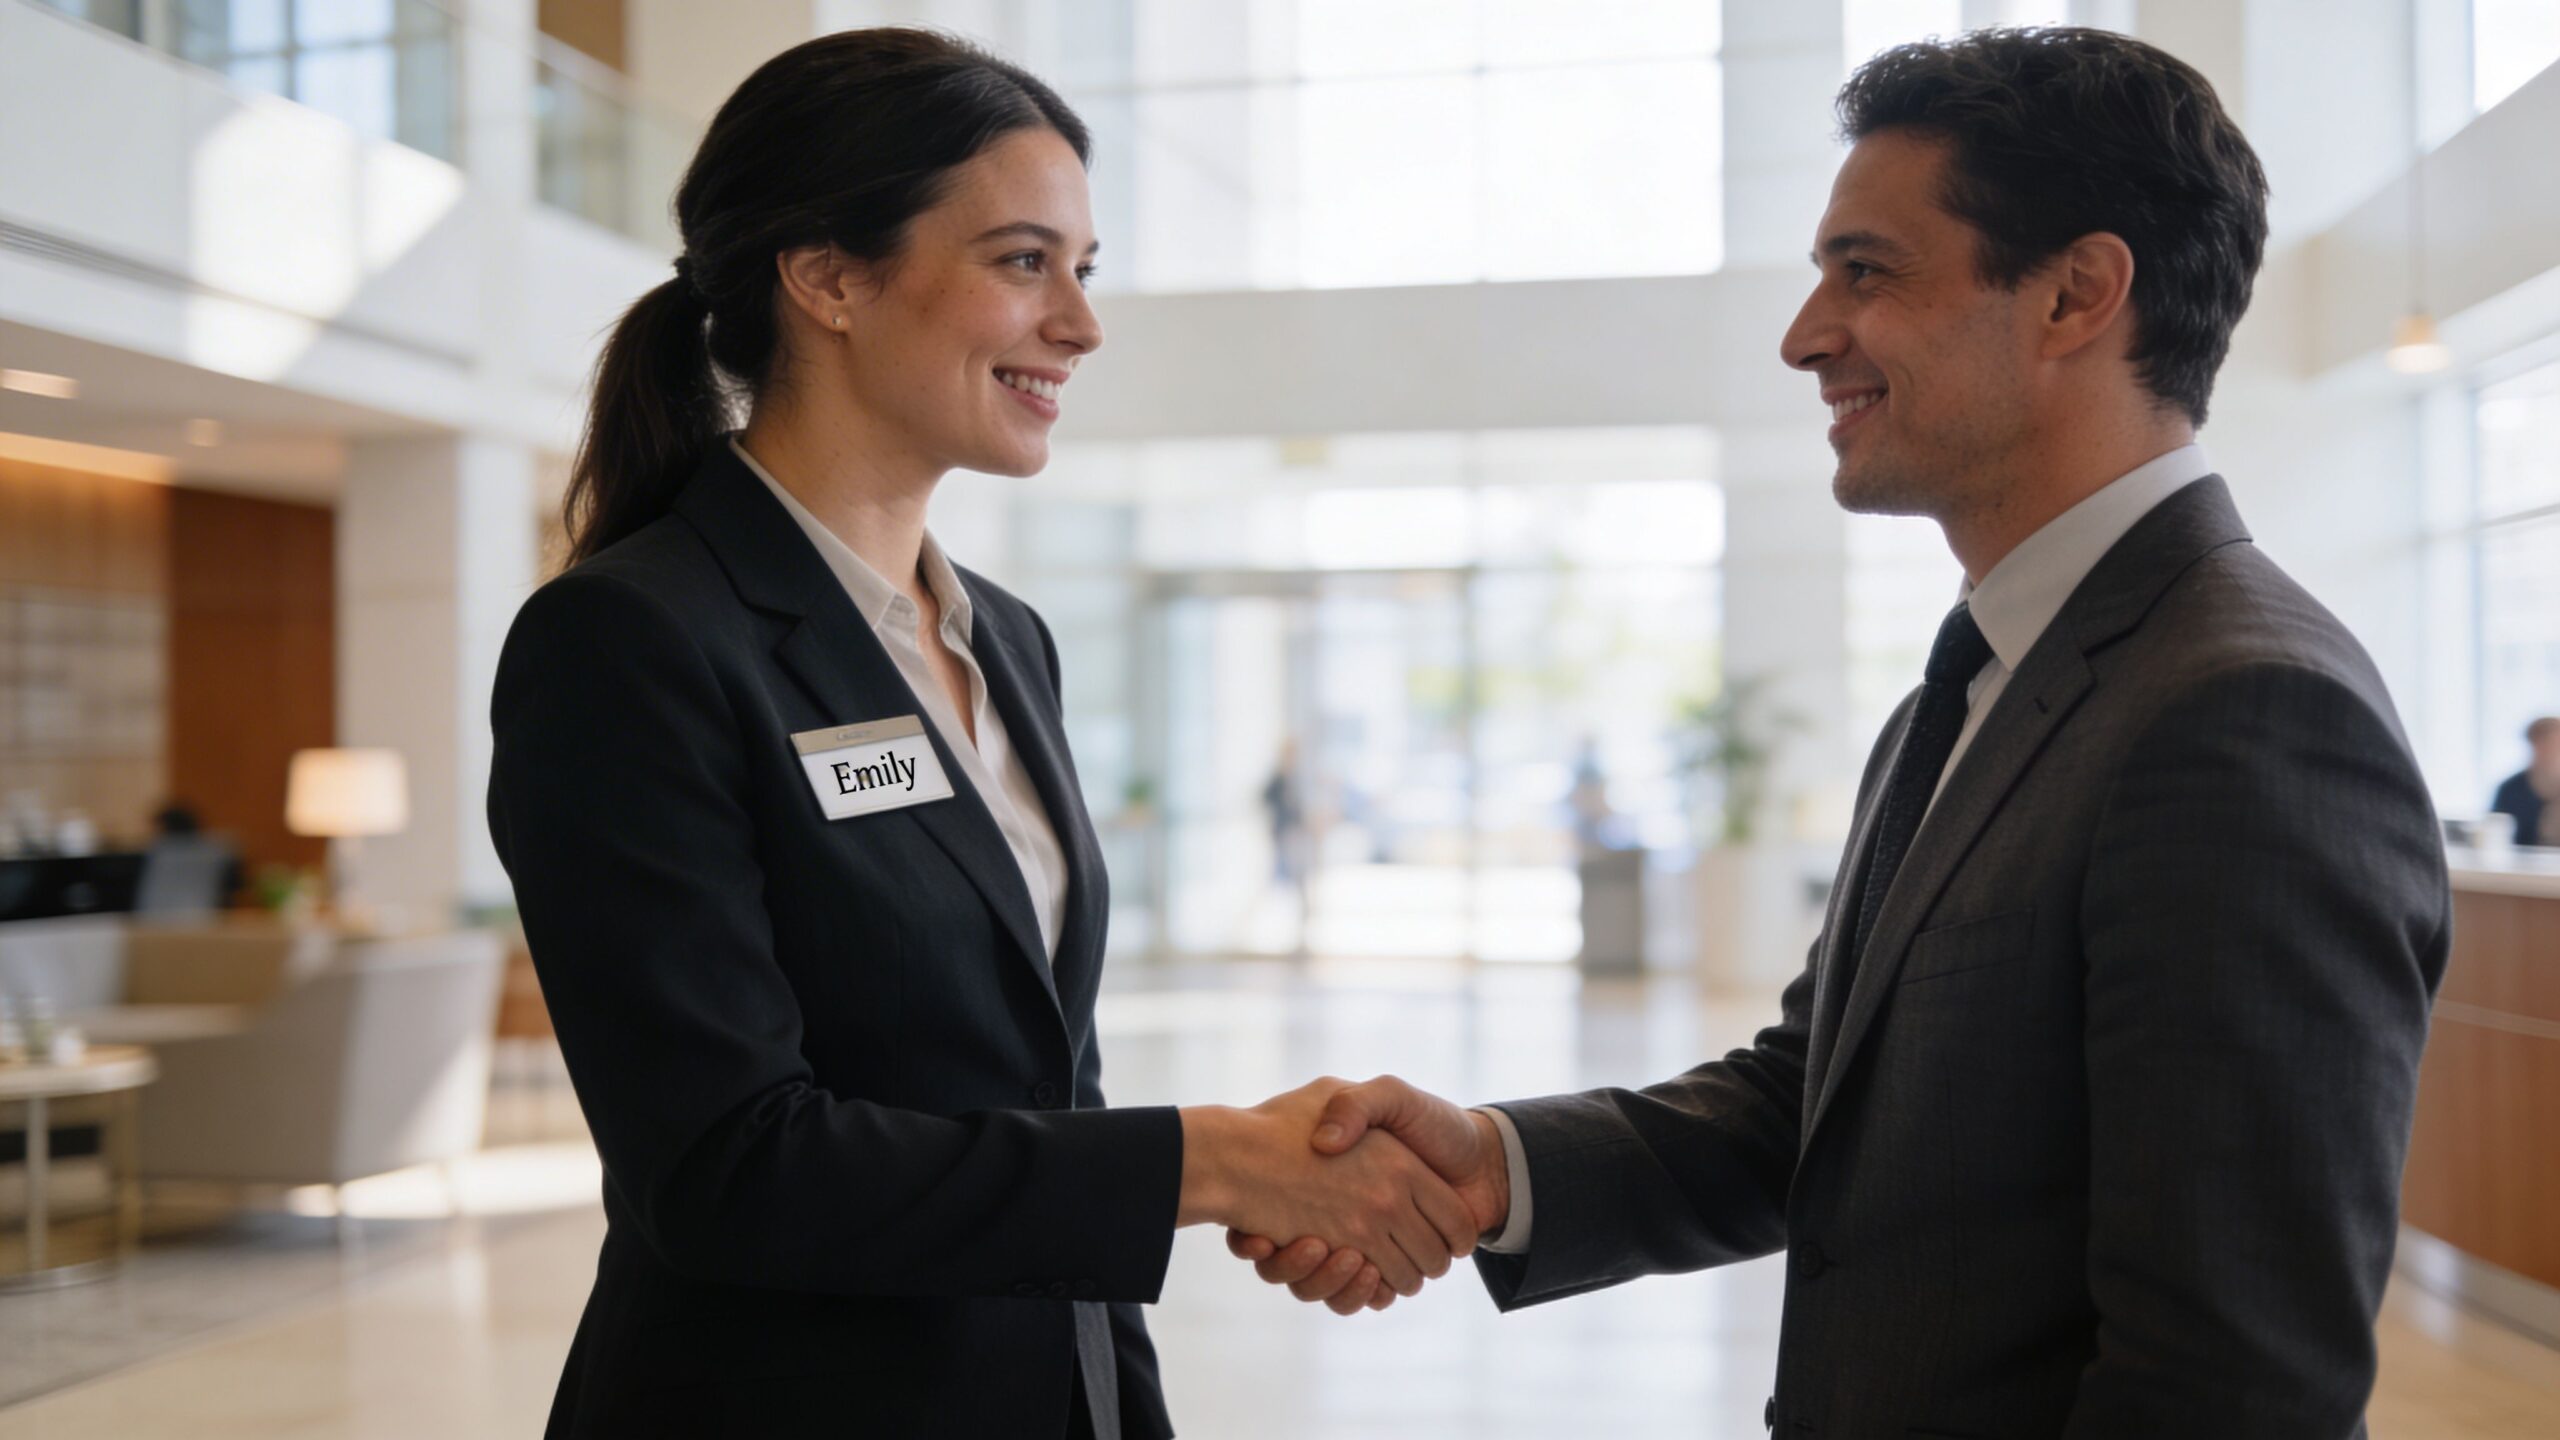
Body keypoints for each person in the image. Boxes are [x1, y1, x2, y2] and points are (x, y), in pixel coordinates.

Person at [1230, 28, 2450, 1437]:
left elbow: (2238, 1386)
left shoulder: (2243, 717)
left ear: (2076, 294)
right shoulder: (1980, 686)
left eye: (1865, 271)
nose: (1806, 335)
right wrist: (1493, 1168)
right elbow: (1814, 1103)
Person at [486, 31, 1477, 1440]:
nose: (1079, 322)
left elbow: (1043, 1081)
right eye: (1025, 262)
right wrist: (1213, 1165)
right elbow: (726, 1168)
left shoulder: (1004, 638)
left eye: (1084, 268)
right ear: (828, 277)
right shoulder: (633, 641)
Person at [2490, 715, 2557, 846]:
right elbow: (2496, 832)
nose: (2551, 750)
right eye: (2544, 743)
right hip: (2519, 863)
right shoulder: (2510, 789)